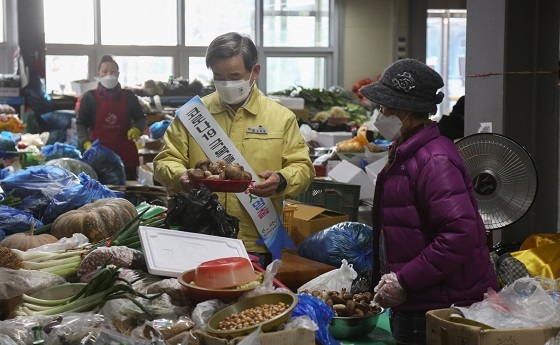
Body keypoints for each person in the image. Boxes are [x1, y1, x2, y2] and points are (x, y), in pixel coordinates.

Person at [359, 59, 499, 345]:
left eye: (385, 108)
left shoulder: (434, 161)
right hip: (422, 298)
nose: (379, 115)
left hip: (438, 305)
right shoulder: (407, 153)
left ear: (405, 112)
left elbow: (459, 234)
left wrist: (405, 280)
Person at [153, 32, 316, 267]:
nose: (227, 84)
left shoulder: (281, 118)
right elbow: (165, 160)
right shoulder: (193, 115)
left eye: (235, 76)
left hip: (257, 243)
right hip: (199, 236)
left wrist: (281, 180)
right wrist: (179, 176)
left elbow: (303, 168)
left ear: (255, 72)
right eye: (219, 77)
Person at [76, 55, 146, 181]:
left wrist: (137, 129)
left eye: (113, 71)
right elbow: (81, 123)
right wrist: (85, 142)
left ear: (118, 74)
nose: (109, 74)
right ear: (99, 74)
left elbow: (141, 118)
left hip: (126, 156)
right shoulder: (90, 97)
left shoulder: (129, 96)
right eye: (105, 71)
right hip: (99, 156)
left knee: (127, 194)